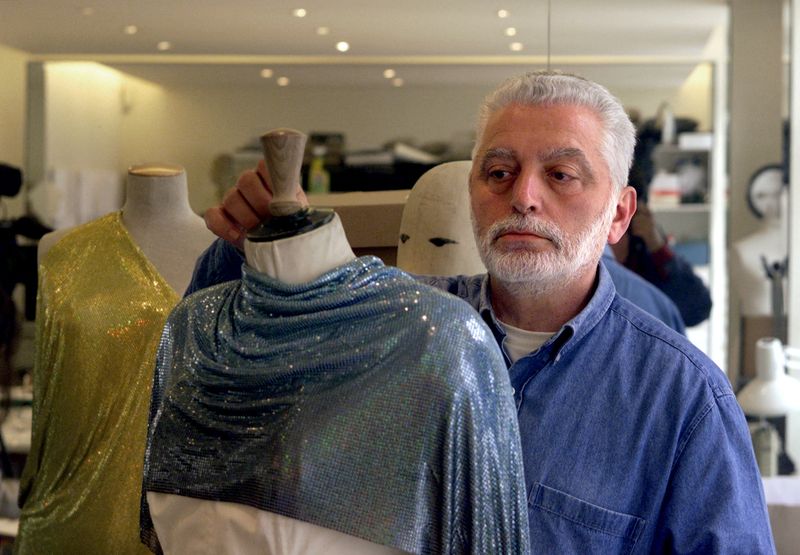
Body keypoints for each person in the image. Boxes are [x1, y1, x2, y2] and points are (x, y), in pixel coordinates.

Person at [195, 71, 774, 553]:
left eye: (560, 175)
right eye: (498, 172)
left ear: (620, 216)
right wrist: (248, 240)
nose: (523, 195)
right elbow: (234, 359)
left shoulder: (683, 400)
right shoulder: (395, 326)